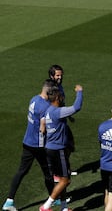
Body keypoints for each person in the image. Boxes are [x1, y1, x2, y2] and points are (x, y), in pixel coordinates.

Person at [2, 80, 56, 211]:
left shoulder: (34, 99)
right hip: (38, 144)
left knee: (22, 171)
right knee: (48, 172)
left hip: (27, 141)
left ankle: (9, 201)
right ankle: (54, 198)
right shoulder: (45, 106)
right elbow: (43, 128)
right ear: (49, 92)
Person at [39, 84, 83, 211]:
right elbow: (76, 107)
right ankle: (46, 206)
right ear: (57, 97)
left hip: (50, 149)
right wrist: (79, 92)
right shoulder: (57, 112)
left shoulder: (49, 110)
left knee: (60, 179)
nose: (63, 97)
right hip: (58, 150)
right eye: (62, 96)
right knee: (65, 180)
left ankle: (64, 207)